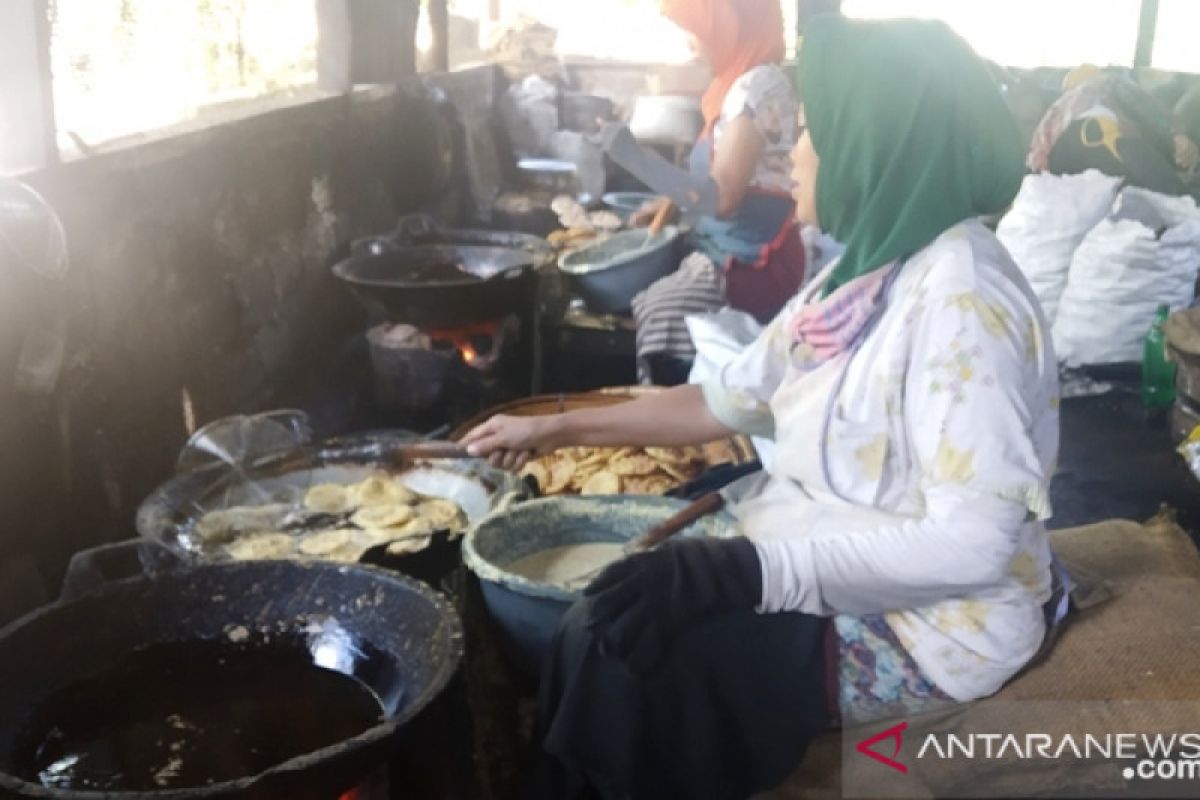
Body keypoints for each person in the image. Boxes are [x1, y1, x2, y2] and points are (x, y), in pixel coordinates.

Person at [465, 16, 1060, 800]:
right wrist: (550, 430)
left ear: (875, 144)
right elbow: (722, 400)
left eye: (813, 132)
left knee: (628, 656)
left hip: (930, 630)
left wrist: (750, 571)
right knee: (609, 608)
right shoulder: (867, 274)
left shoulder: (962, 302)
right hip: (824, 542)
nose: (796, 155)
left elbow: (975, 547)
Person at [627, 0, 805, 384]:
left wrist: (634, 159)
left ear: (731, 27)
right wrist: (670, 201)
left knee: (663, 309)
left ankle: (680, 415)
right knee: (650, 292)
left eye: (698, 31)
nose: (692, 45)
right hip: (725, 249)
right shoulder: (731, 86)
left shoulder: (759, 86)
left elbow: (722, 197)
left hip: (755, 263)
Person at [1028, 64, 1198, 198]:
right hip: (1103, 137)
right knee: (1182, 203)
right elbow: (1141, 103)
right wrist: (1176, 134)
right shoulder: (1107, 81)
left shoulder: (1056, 111)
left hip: (1060, 167)